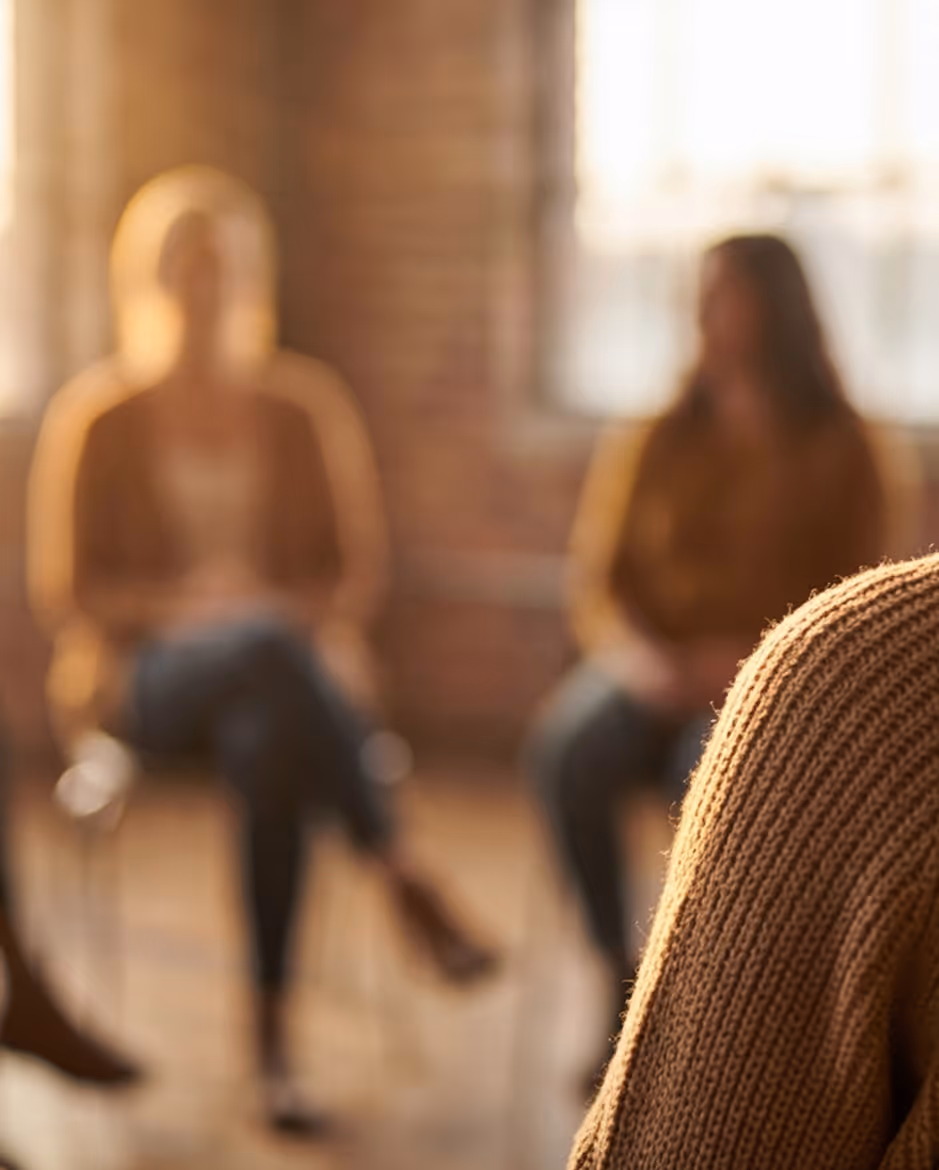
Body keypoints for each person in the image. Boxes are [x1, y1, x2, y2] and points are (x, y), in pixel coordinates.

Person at [27, 167, 498, 1134]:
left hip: (274, 687)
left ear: (248, 278)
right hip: (146, 676)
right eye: (185, 272)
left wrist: (260, 614)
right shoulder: (99, 416)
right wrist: (187, 606)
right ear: (149, 281)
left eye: (220, 271)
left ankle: (271, 1051)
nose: (203, 291)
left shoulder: (301, 407)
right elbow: (68, 591)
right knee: (265, 650)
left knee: (266, 741)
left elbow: (353, 575)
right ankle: (398, 866)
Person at [528, 233, 892, 1084]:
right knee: (566, 750)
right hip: (651, 667)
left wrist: (747, 663)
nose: (701, 314)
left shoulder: (844, 447)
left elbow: (857, 597)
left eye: (723, 295)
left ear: (777, 310)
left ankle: (684, 1001)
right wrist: (643, 659)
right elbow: (600, 580)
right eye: (699, 295)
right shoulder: (656, 434)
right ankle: (612, 974)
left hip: (768, 679)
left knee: (710, 779)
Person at [571, 552, 939, 1169]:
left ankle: (669, 972)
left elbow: (857, 548)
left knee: (707, 758)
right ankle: (614, 961)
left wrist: (760, 647)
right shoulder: (658, 449)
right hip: (663, 661)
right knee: (567, 757)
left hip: (779, 643)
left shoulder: (852, 676)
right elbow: (610, 562)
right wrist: (654, 653)